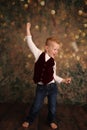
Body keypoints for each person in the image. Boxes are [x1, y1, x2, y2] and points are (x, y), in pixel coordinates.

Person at [22, 22, 71, 129]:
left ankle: (51, 120)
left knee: (52, 107)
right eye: (55, 49)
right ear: (47, 48)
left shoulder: (53, 62)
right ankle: (29, 120)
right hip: (41, 88)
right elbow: (30, 43)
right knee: (36, 106)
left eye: (58, 50)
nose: (56, 52)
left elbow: (53, 76)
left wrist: (63, 80)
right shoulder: (38, 54)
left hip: (52, 87)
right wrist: (28, 29)